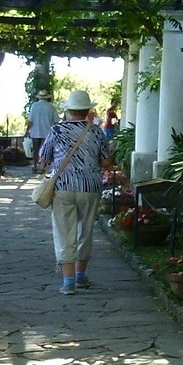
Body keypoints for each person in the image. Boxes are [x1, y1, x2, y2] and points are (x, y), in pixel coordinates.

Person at [36, 89, 106, 294]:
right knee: (86, 230)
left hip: (63, 187)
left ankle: (68, 282)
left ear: (69, 110)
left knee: (64, 232)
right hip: (90, 188)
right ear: (87, 110)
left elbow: (44, 158)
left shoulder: (57, 130)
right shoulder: (95, 131)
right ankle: (80, 275)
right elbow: (107, 160)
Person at [25, 88, 58, 166]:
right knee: (45, 151)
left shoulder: (34, 106)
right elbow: (56, 121)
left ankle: (35, 165)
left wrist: (27, 131)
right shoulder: (51, 107)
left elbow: (30, 120)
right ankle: (43, 166)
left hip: (35, 132)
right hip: (47, 132)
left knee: (35, 150)